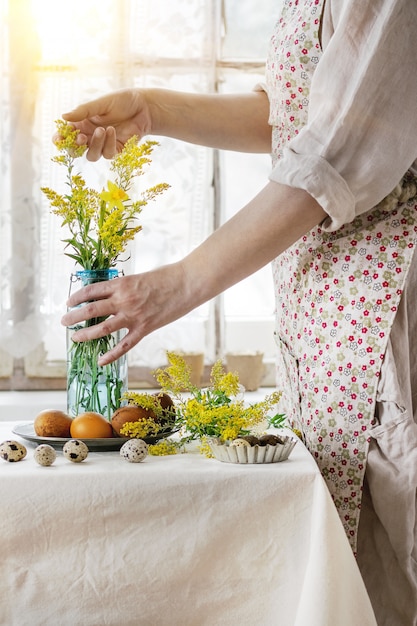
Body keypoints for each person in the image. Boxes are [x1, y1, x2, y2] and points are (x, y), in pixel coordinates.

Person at [59, 1, 417, 623]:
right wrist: (154, 109)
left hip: (388, 323)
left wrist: (176, 286)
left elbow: (330, 157)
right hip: (329, 342)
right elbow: (296, 118)